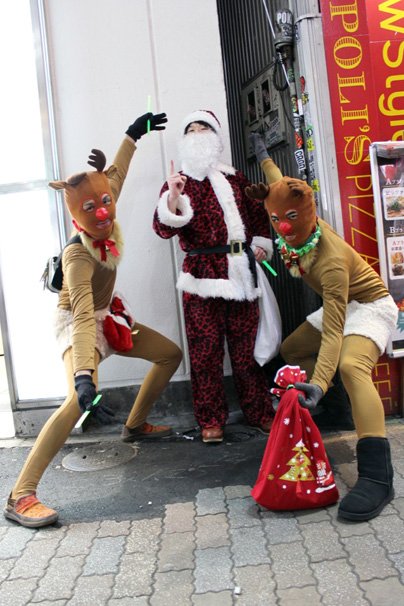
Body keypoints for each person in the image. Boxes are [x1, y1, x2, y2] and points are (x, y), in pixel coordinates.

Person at [4, 112, 182, 528]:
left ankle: (134, 427)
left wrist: (133, 133)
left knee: (168, 354)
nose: (103, 212)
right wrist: (84, 374)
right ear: (74, 212)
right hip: (78, 323)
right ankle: (20, 495)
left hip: (110, 314)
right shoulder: (79, 254)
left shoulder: (106, 203)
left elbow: (114, 175)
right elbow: (83, 315)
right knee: (74, 401)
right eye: (90, 207)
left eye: (105, 203)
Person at [247, 132, 398, 521]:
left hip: (369, 306)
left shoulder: (328, 258)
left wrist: (322, 380)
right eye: (276, 219)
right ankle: (333, 412)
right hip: (346, 304)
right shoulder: (293, 223)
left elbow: (333, 331)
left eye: (291, 218)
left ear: (309, 210)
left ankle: (378, 477)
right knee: (293, 348)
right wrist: (264, 155)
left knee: (349, 365)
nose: (282, 226)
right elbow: (280, 187)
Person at [153, 110, 277, 443]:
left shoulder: (237, 179)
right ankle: (210, 420)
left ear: (216, 136)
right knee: (205, 353)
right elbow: (162, 228)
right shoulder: (177, 182)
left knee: (246, 352)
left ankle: (261, 412)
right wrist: (174, 198)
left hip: (240, 274)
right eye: (190, 129)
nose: (196, 133)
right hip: (201, 277)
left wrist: (262, 243)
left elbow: (259, 216)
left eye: (203, 128)